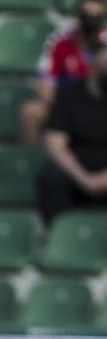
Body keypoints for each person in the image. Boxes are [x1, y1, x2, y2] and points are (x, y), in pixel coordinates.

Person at [21, 0, 105, 143]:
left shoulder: (104, 44)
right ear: (77, 14)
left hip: (100, 107)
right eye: (86, 15)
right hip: (63, 105)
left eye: (96, 17)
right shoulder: (59, 40)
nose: (90, 21)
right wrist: (70, 109)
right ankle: (29, 161)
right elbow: (43, 86)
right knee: (31, 112)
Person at [39, 43, 107, 225]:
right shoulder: (68, 93)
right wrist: (84, 178)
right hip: (76, 173)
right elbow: (55, 143)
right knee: (51, 177)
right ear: (93, 62)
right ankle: (58, 241)